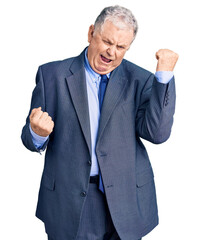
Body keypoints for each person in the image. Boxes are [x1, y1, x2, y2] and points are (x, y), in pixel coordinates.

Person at [21, 5, 178, 240]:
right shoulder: (51, 75)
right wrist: (37, 132)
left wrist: (163, 76)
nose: (111, 52)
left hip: (126, 200)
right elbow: (29, 139)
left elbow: (157, 133)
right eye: (107, 42)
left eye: (121, 47)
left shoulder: (140, 79)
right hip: (71, 201)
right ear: (91, 33)